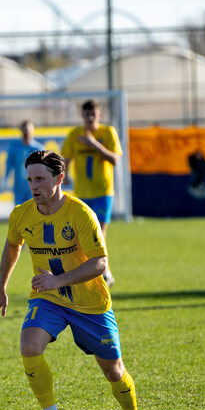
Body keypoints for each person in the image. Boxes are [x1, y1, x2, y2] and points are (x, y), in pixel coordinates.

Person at [0, 150, 145, 410]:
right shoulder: (21, 214)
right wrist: (0, 288)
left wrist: (58, 280)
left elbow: (100, 263)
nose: (33, 186)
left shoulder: (81, 214)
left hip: (90, 304)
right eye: (29, 179)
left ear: (59, 178)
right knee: (29, 345)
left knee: (113, 371)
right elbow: (12, 246)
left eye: (40, 179)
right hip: (48, 299)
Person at [62, 99, 123, 286]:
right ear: (82, 115)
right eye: (87, 114)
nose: (90, 118)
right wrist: (65, 175)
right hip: (82, 193)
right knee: (81, 235)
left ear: (99, 115)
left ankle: (105, 271)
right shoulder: (74, 134)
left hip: (103, 191)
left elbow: (115, 160)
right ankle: (86, 272)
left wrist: (94, 144)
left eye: (93, 114)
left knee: (100, 232)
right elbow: (66, 157)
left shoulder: (108, 132)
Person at [6, 120, 43, 206]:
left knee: (33, 210)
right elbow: (9, 163)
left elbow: (43, 168)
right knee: (19, 210)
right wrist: (6, 177)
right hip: (19, 185)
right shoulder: (15, 147)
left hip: (34, 185)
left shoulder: (38, 148)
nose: (26, 132)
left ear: (32, 131)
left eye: (28, 129)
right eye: (24, 129)